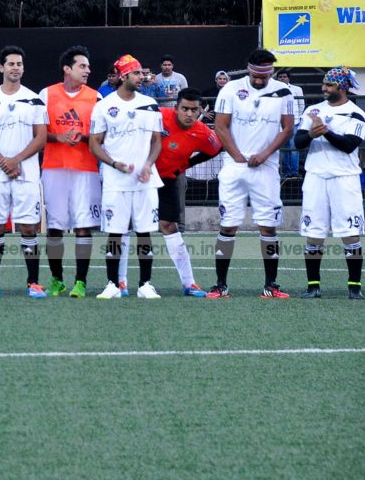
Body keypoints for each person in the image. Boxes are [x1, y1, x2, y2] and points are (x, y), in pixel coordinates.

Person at [207, 49, 295, 299]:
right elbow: (221, 126)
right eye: (254, 75)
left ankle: (271, 285)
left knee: (268, 226)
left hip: (266, 168)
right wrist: (237, 155)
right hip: (235, 166)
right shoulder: (231, 89)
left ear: (271, 72)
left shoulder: (283, 91)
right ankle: (220, 285)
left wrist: (265, 154)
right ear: (249, 69)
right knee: (228, 224)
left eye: (263, 76)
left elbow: (287, 128)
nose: (258, 80)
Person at [119, 88, 223, 296]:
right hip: (138, 177)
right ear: (175, 108)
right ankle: (120, 282)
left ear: (200, 111)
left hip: (166, 179)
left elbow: (217, 148)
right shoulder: (158, 115)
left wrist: (188, 163)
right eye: (184, 108)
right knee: (127, 225)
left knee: (169, 225)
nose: (189, 114)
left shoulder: (202, 132)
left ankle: (189, 283)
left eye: (194, 110)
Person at [0, 46, 48, 299]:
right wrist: (4, 162)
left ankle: (34, 283)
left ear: (23, 69)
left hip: (26, 174)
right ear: (1, 68)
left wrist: (15, 160)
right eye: (11, 64)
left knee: (28, 228)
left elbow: (41, 137)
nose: (15, 68)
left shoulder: (35, 99)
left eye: (19, 64)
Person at [89, 54, 163, 300]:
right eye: (137, 73)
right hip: (115, 181)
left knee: (145, 232)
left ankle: (145, 284)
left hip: (144, 181)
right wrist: (113, 163)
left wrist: (148, 165)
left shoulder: (150, 104)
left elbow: (156, 141)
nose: (142, 77)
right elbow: (95, 143)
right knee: (114, 232)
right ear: (123, 76)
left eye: (142, 73)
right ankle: (112, 284)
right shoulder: (103, 106)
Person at [294, 67, 365, 300]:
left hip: (345, 179)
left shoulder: (356, 113)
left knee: (350, 233)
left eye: (329, 85)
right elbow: (299, 142)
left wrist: (324, 131)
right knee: (314, 233)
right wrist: (313, 134)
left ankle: (354, 288)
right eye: (324, 84)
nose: (323, 88)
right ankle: (313, 286)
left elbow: (349, 146)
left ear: (342, 87)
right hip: (315, 177)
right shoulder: (313, 110)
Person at [40, 45, 101, 299]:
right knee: (54, 227)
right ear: (67, 69)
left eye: (88, 67)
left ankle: (81, 281)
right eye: (82, 66)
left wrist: (84, 137)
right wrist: (59, 137)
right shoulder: (46, 94)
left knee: (83, 227)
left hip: (86, 170)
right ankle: (56, 280)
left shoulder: (96, 98)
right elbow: (39, 133)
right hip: (54, 169)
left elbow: (101, 136)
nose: (87, 70)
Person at [275, 68, 305, 178]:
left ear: (289, 78)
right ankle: (286, 172)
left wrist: (297, 119)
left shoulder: (297, 89)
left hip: (295, 122)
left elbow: (301, 104)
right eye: (280, 77)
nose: (282, 79)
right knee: (284, 149)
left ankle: (294, 172)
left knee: (293, 148)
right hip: (279, 124)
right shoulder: (273, 89)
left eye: (284, 77)